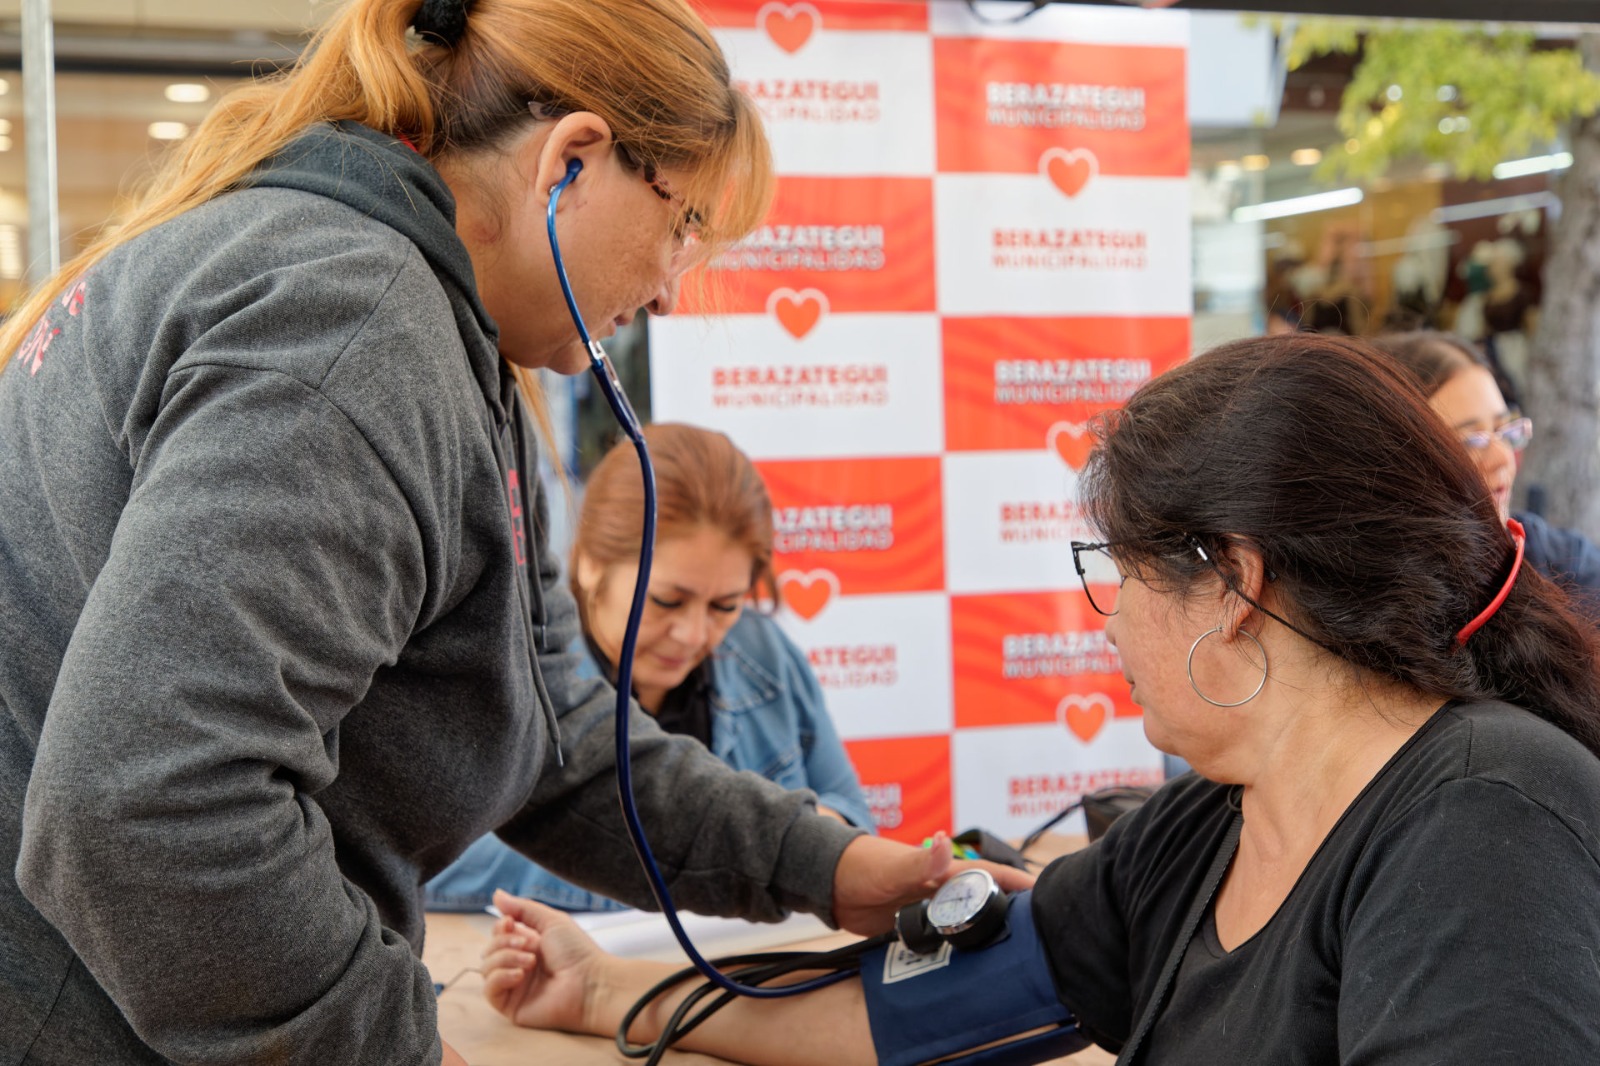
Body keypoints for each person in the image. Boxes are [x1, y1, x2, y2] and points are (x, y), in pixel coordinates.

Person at [0, 2, 1028, 1064]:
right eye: (682, 225)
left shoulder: (410, 322)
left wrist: (829, 867)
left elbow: (552, 729)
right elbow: (147, 805)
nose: (672, 293)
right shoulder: (352, 329)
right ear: (571, 160)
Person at [480, 333, 1600, 1064]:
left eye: (1118, 575)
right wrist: (609, 991)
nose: (1105, 620)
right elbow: (907, 1010)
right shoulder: (1206, 826)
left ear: (1233, 588)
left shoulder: (1486, 823)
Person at [426, 422, 874, 913]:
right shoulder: (509, 673)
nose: (693, 634)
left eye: (725, 605)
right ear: (589, 562)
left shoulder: (764, 653)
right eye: (666, 601)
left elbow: (852, 815)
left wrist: (810, 847)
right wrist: (722, 864)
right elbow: (436, 859)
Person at [1369, 330, 1600, 605]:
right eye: (1470, 440)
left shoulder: (1567, 568)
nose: (1503, 458)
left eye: (1504, 430)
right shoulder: (1360, 599)